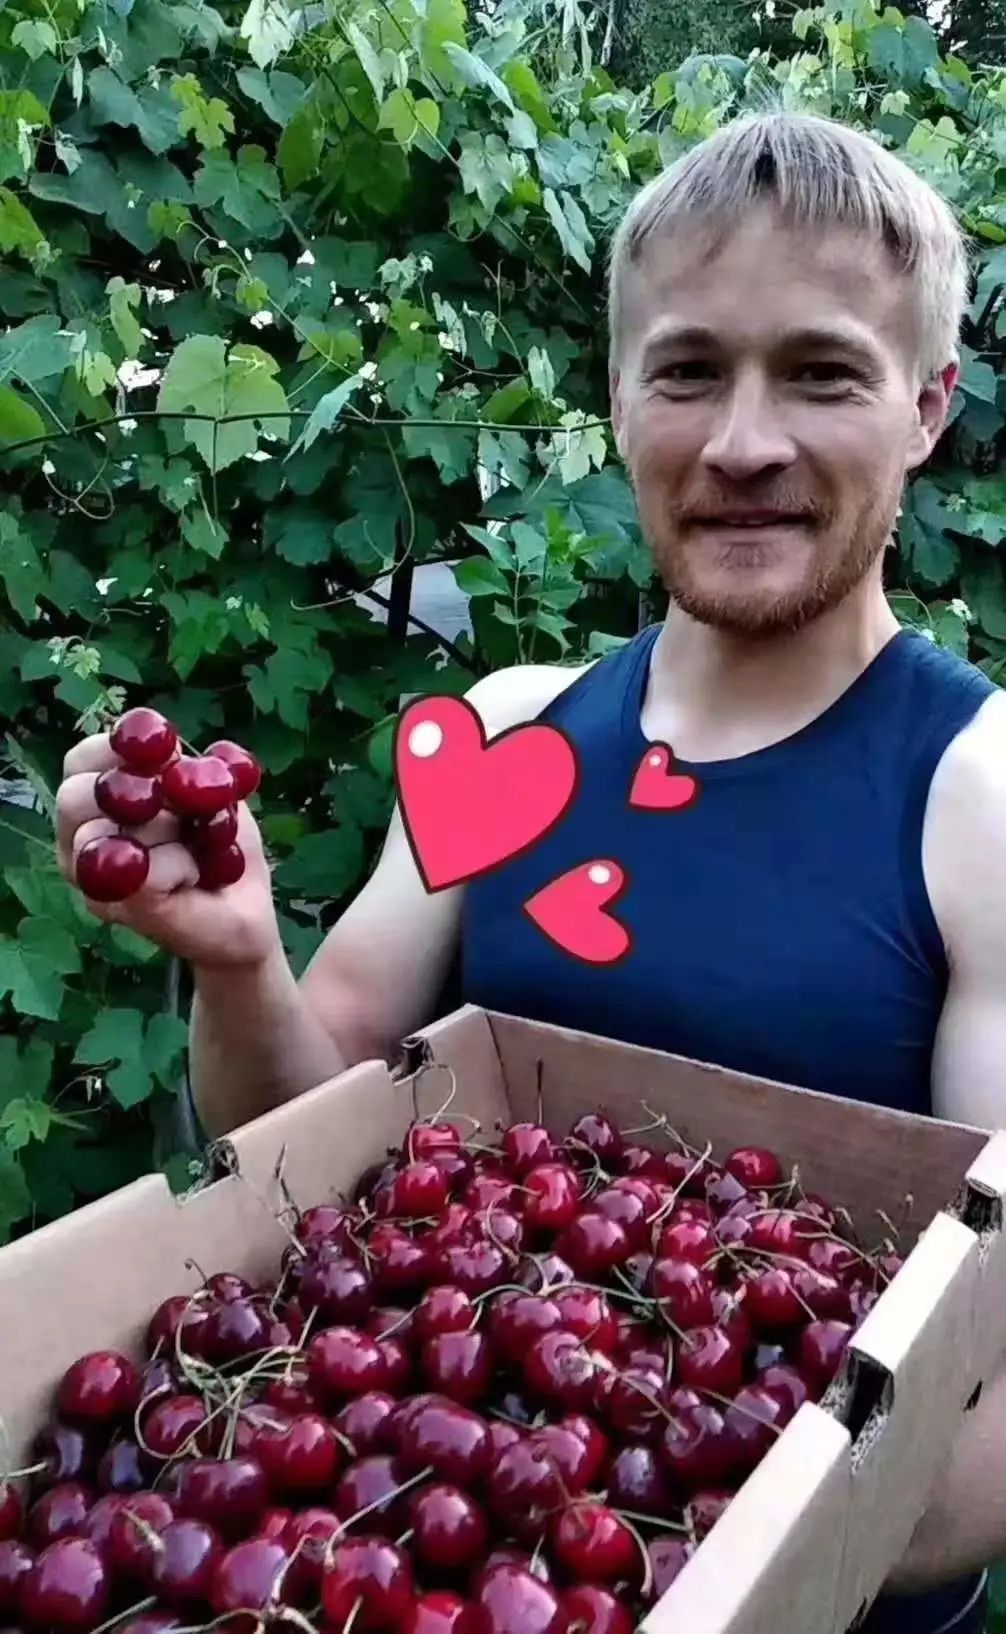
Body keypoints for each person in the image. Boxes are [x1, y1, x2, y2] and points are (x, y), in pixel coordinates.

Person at [55, 107, 1006, 1631]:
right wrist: (236, 958)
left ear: (925, 407)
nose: (741, 441)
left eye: (820, 372)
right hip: (458, 1539)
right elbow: (298, 1138)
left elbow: (991, 1362)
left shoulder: (976, 796)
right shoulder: (506, 735)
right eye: (686, 370)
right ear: (618, 398)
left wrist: (748, 1561)